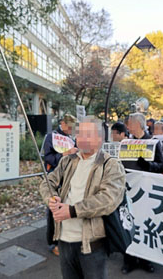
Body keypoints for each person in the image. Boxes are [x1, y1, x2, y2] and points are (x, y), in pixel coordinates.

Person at [40, 117, 126, 279]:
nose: (81, 138)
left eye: (88, 134)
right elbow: (47, 182)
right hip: (64, 240)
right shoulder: (67, 160)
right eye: (79, 134)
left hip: (91, 244)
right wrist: (51, 198)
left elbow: (108, 199)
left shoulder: (111, 165)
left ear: (100, 139)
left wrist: (72, 211)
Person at [122, 112, 163, 274]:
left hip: (146, 192)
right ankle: (129, 260)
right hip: (128, 191)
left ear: (139, 124)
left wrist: (148, 166)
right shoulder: (126, 142)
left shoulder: (153, 143)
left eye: (130, 123)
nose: (128, 126)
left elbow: (161, 165)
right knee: (128, 224)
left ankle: (146, 260)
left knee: (146, 225)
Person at [42, 114, 78, 256]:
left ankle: (64, 239)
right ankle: (53, 243)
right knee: (53, 209)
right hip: (55, 178)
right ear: (62, 123)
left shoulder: (72, 138)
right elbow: (48, 157)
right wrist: (64, 155)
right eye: (69, 127)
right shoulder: (52, 137)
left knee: (66, 208)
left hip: (70, 177)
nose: (70, 130)